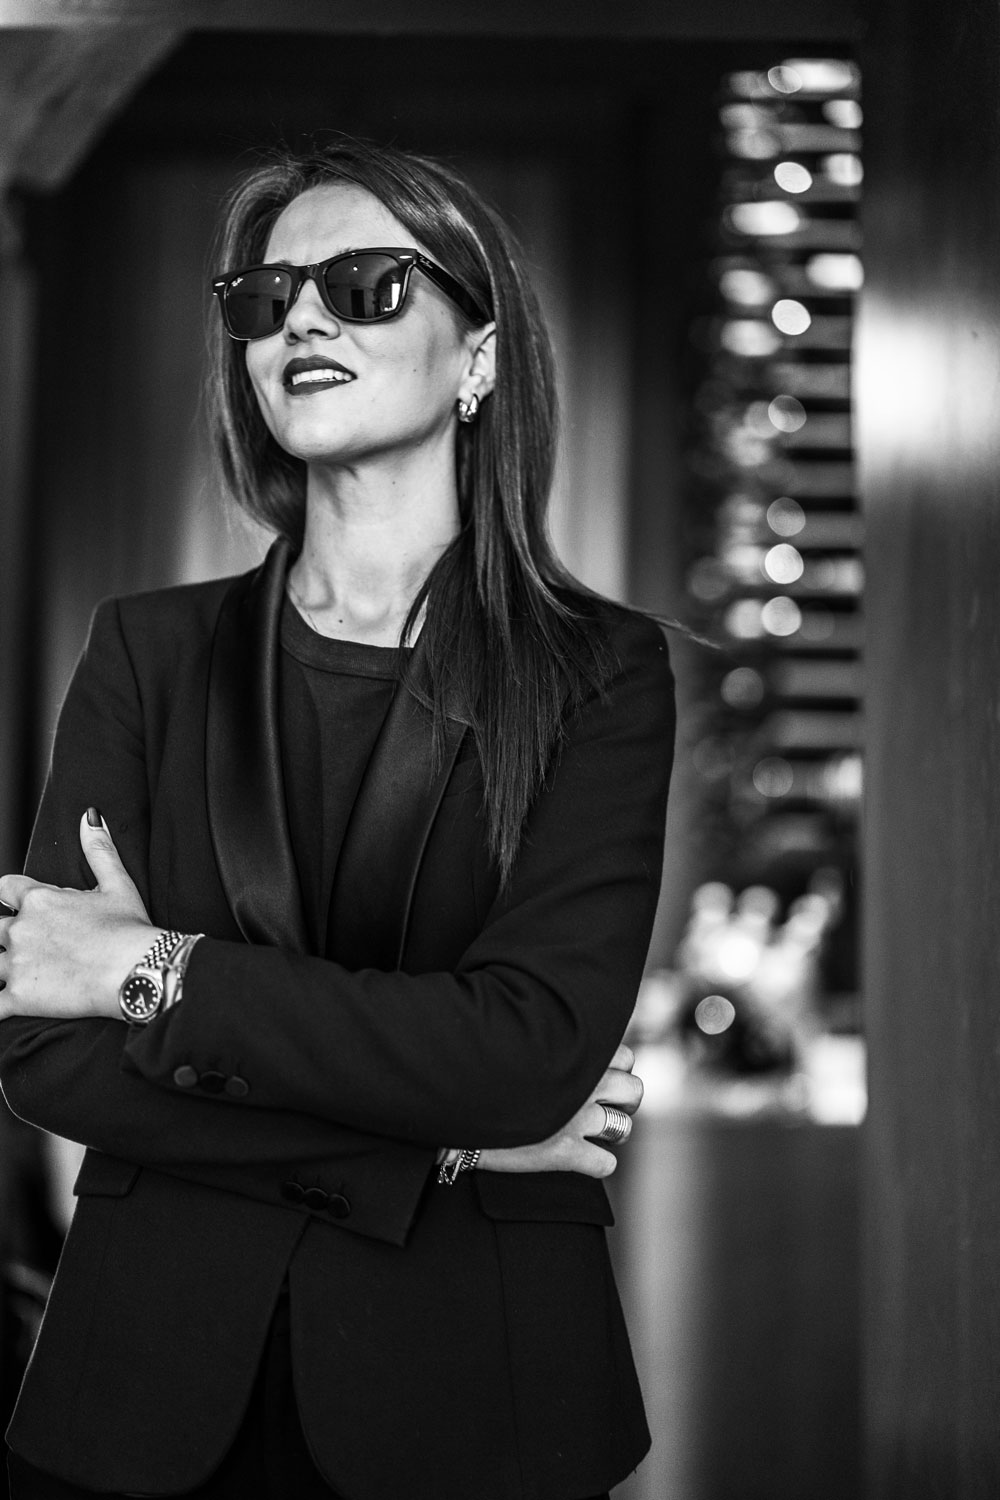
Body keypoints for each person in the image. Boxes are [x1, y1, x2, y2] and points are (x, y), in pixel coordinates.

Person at [0, 138, 675, 1500]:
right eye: (264, 298)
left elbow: (528, 1051)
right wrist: (444, 1140)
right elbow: (45, 1055)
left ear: (479, 355)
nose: (300, 319)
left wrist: (150, 972)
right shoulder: (146, 652)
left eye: (365, 285)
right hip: (139, 1395)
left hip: (476, 1398)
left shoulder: (600, 674)